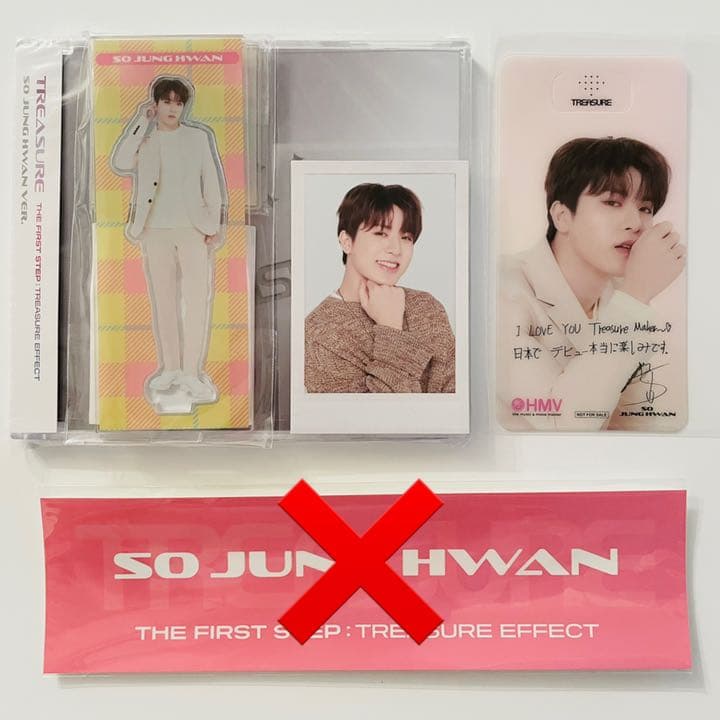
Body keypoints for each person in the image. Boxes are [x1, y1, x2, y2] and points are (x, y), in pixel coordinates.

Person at [498, 136, 686, 430]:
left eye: (646, 208)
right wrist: (635, 297)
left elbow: (651, 423)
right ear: (562, 216)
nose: (636, 223)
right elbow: (561, 425)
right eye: (612, 202)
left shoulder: (621, 298)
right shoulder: (501, 289)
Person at [111, 76, 226, 405]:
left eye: (178, 102)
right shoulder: (146, 139)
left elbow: (212, 182)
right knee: (163, 300)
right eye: (167, 102)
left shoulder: (198, 137)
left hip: (193, 229)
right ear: (156, 105)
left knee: (196, 299)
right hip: (154, 230)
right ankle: (171, 369)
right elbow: (121, 162)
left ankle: (192, 373)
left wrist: (214, 224)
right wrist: (140, 120)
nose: (173, 108)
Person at [304, 183, 455, 393]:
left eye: (406, 237)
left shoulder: (427, 308)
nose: (395, 249)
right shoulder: (319, 334)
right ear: (347, 242)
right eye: (381, 233)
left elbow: (453, 404)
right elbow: (378, 414)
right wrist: (391, 328)